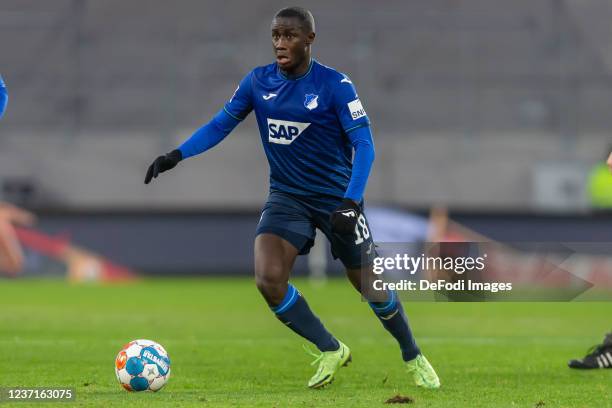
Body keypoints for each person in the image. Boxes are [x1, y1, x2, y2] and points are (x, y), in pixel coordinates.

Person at [144, 7, 439, 389]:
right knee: (268, 279)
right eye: (275, 36)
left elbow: (364, 145)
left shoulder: (335, 85)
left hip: (337, 200)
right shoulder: (257, 82)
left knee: (372, 287)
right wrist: (177, 155)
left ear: (309, 40)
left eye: (289, 36)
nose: (280, 44)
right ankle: (330, 348)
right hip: (287, 196)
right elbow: (221, 124)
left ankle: (412, 354)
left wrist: (351, 202)